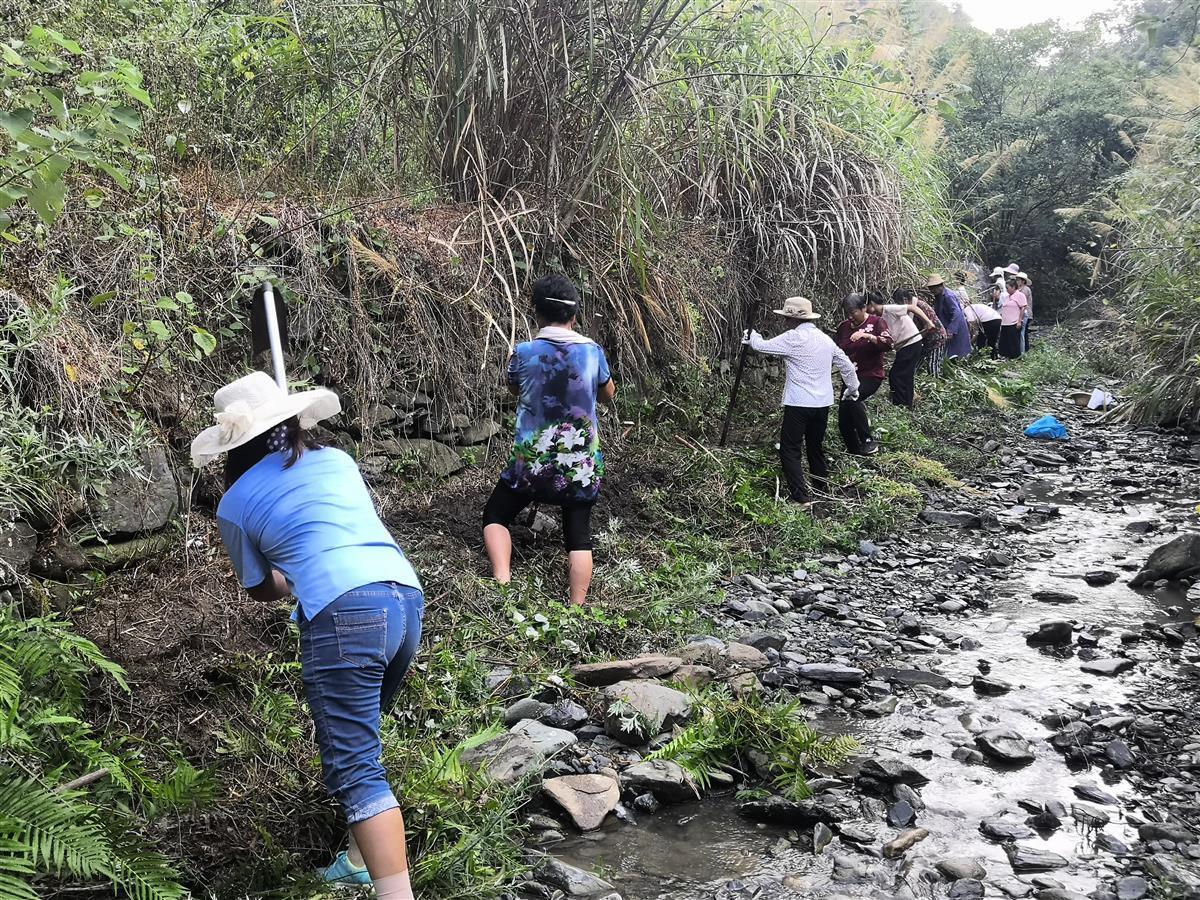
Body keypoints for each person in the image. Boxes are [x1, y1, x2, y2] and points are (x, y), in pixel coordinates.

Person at [191, 372, 423, 898]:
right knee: (362, 745)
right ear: (293, 420)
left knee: (355, 766)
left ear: (233, 446)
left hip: (342, 614)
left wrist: (291, 570)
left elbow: (261, 588)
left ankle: (395, 894)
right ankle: (362, 861)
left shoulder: (234, 502)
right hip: (403, 599)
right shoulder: (339, 461)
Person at [483, 274, 615, 605]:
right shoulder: (592, 352)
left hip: (533, 463)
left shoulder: (524, 352)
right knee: (578, 537)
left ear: (537, 314)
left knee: (496, 516)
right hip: (580, 465)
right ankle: (577, 607)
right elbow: (608, 394)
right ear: (574, 316)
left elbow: (514, 388)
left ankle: (503, 582)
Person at [744, 295, 859, 509]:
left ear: (792, 319)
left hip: (799, 403)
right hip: (822, 403)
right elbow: (846, 364)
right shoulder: (825, 339)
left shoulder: (792, 338)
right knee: (815, 446)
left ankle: (801, 498)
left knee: (790, 449)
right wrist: (852, 390)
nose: (785, 322)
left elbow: (762, 346)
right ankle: (821, 489)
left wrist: (751, 336)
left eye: (787, 318)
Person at [834, 293, 892, 456]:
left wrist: (867, 336)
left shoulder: (877, 322)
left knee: (854, 398)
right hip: (849, 376)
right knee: (844, 418)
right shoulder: (844, 327)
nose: (850, 316)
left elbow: (888, 343)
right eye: (847, 312)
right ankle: (855, 453)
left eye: (853, 312)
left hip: (871, 375)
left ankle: (867, 441)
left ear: (864, 308)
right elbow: (836, 349)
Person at [865, 289, 936, 408]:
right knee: (905, 374)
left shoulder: (889, 309)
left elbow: (913, 308)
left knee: (896, 375)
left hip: (912, 343)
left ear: (871, 304)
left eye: (866, 306)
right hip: (906, 345)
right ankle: (906, 403)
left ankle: (900, 403)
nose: (866, 310)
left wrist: (928, 322)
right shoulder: (880, 317)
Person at [926, 274, 972, 361]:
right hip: (947, 325)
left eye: (935, 287)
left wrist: (951, 330)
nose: (933, 290)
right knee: (950, 352)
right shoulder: (938, 297)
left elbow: (957, 313)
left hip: (956, 326)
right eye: (931, 288)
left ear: (941, 286)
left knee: (957, 352)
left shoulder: (948, 296)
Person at [964, 287, 1003, 356]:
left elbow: (972, 323)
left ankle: (980, 355)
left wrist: (971, 340)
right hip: (997, 318)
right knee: (992, 341)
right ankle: (993, 357)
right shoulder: (975, 307)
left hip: (988, 320)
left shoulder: (967, 309)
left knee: (981, 339)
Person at [998, 276, 1028, 359]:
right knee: (1004, 340)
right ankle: (1005, 356)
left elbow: (1023, 307)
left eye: (1008, 288)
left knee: (1013, 340)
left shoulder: (1020, 295)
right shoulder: (1007, 297)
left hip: (1014, 322)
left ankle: (1015, 357)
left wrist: (1019, 321)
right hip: (1005, 322)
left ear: (1013, 287)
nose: (1007, 290)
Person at [1016, 271, 1034, 353]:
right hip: (1022, 313)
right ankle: (1025, 349)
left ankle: (1025, 349)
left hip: (1026, 313)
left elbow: (1021, 302)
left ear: (1022, 281)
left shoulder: (1025, 290)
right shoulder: (1020, 289)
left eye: (1018, 280)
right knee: (1024, 332)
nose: (1017, 281)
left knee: (1023, 332)